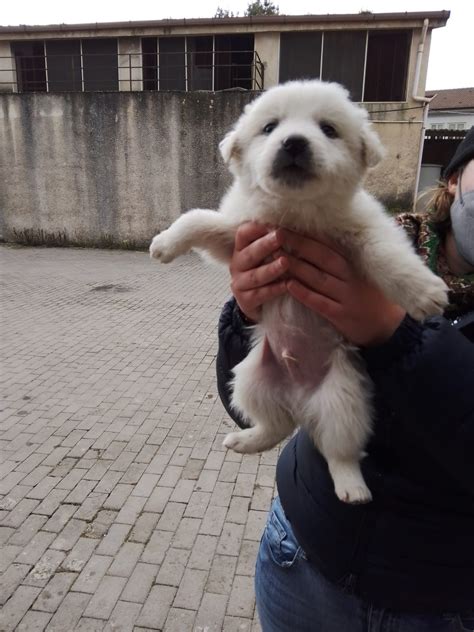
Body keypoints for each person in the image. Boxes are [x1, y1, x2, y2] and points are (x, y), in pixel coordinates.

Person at [216, 127, 474, 631]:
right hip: (301, 555)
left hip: (441, 604)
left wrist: (392, 332)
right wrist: (247, 312)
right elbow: (241, 384)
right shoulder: (370, 236)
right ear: (454, 181)